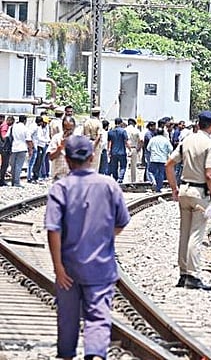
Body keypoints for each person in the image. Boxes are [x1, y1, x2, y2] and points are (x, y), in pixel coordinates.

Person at [45, 135, 130, 360]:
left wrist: (58, 267)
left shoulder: (60, 188)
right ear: (92, 157)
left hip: (68, 267)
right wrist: (102, 237)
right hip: (101, 266)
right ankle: (95, 354)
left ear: (67, 159)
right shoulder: (109, 185)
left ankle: (66, 354)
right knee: (98, 316)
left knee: (67, 316)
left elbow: (53, 230)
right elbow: (121, 222)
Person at [166, 111, 211, 291]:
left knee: (184, 233)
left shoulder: (187, 140)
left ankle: (183, 274)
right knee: (196, 234)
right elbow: (210, 175)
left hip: (184, 190)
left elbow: (169, 164)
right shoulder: (210, 144)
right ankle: (193, 275)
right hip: (199, 193)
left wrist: (174, 188)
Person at [48, 116, 76, 181]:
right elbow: (51, 157)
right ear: (63, 128)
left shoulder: (78, 139)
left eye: (70, 129)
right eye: (66, 129)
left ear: (74, 127)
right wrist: (60, 147)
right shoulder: (56, 138)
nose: (68, 132)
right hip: (59, 177)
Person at [146, 128, 173, 192]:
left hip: (154, 158)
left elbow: (148, 148)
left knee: (151, 172)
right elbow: (171, 149)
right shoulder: (165, 140)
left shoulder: (153, 139)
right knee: (161, 174)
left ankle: (154, 181)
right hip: (163, 159)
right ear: (163, 133)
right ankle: (159, 188)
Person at [10, 114, 33, 187]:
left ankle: (13, 181)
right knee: (18, 166)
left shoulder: (14, 127)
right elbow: (28, 140)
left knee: (13, 166)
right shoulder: (25, 129)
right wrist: (30, 150)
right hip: (22, 148)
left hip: (14, 147)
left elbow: (10, 136)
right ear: (25, 121)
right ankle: (16, 182)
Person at [107, 118, 130, 183]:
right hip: (122, 152)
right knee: (123, 166)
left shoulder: (110, 132)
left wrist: (109, 151)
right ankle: (120, 178)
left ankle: (115, 178)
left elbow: (109, 142)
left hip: (113, 152)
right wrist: (130, 149)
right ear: (121, 123)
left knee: (114, 167)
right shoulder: (123, 131)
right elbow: (126, 141)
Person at [83, 107, 103, 171]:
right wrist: (94, 146)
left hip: (87, 143)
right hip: (95, 144)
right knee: (95, 164)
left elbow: (83, 134)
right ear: (99, 114)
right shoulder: (99, 123)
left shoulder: (86, 122)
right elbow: (99, 136)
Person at [125, 118, 142, 182]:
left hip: (126, 148)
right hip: (134, 148)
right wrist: (138, 148)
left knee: (125, 165)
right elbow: (141, 140)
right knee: (133, 166)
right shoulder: (136, 130)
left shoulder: (125, 130)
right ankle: (133, 181)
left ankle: (125, 180)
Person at [0, 116, 15, 186]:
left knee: (4, 165)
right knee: (5, 165)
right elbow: (4, 136)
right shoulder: (5, 126)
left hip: (3, 147)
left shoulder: (3, 125)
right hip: (4, 148)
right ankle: (1, 180)